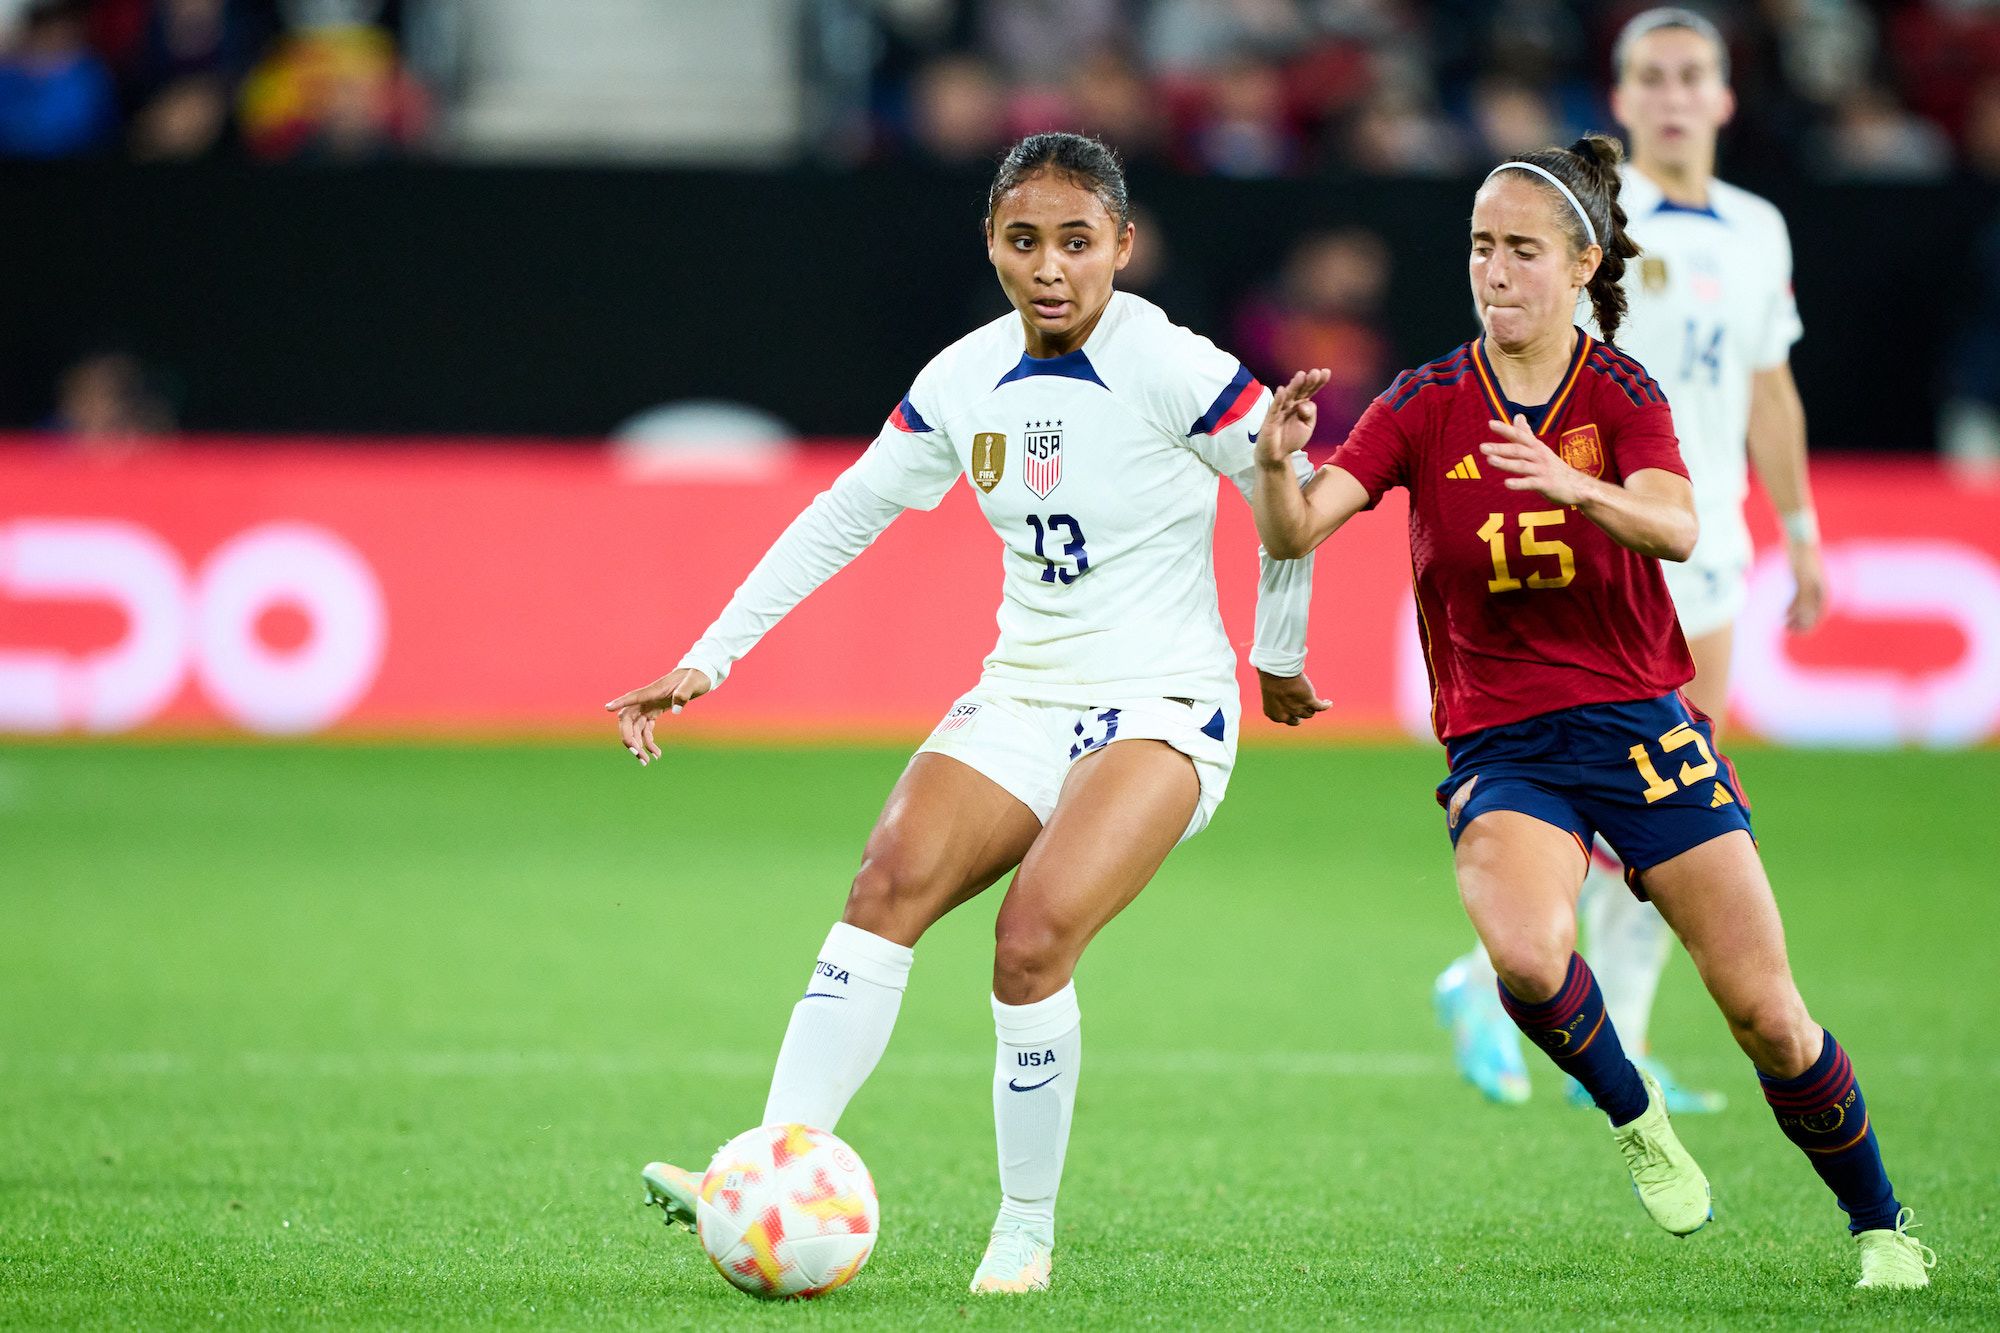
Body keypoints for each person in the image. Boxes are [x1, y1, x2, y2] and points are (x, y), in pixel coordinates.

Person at [608, 131, 1326, 1296]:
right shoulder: (960, 377)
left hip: (1162, 704)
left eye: (1077, 242)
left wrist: (1275, 654)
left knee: (1030, 940)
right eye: (1023, 240)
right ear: (990, 242)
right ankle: (765, 1174)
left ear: (1122, 248)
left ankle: (1024, 1230)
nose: (1049, 267)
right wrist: (709, 656)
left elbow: (1282, 506)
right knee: (881, 886)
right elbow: (845, 513)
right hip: (1022, 694)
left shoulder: (1176, 365)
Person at [1248, 135, 1934, 1289]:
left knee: (1767, 1016)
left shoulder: (1619, 393)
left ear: (1580, 266)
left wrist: (1577, 486)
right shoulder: (1423, 402)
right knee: (1523, 949)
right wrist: (1275, 467)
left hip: (1638, 724)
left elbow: (1676, 527)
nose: (1495, 271)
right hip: (1504, 741)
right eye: (1479, 247)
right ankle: (1634, 1114)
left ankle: (1879, 1223)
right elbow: (1296, 530)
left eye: (1521, 250)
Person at [1433, 7, 1827, 1116]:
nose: (1668, 94)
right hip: (1613, 538)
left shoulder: (1756, 228)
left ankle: (1617, 1028)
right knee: (1646, 795)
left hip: (1709, 534)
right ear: (1619, 96)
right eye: (1647, 75)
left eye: (1688, 74)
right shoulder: (1592, 222)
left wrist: (1797, 527)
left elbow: (1766, 384)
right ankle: (1492, 979)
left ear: (1721, 95)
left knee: (1668, 799)